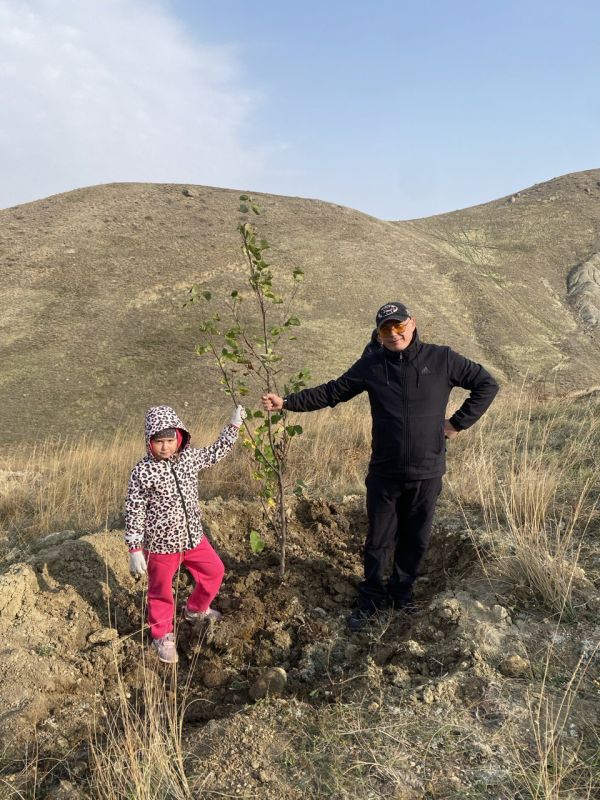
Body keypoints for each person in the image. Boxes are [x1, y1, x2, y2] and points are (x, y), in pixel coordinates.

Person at [262, 301, 499, 632]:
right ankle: (371, 598)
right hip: (385, 472)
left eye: (399, 326)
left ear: (412, 324)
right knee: (378, 540)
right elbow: (333, 391)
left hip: (427, 471)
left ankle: (402, 594)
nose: (393, 333)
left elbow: (486, 384)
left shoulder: (441, 358)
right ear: (378, 333)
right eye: (386, 328)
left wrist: (456, 424)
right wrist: (287, 402)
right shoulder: (371, 365)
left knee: (415, 538)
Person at [125, 404, 246, 663]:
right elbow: (134, 509)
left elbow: (215, 452)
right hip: (160, 546)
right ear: (149, 441)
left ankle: (195, 609)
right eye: (159, 442)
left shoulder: (189, 458)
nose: (165, 447)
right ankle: (162, 635)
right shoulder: (143, 471)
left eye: (170, 440)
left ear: (179, 437)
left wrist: (234, 426)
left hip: (193, 539)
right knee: (160, 591)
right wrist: (135, 549)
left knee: (215, 571)